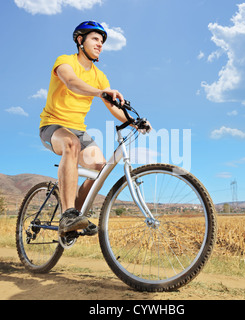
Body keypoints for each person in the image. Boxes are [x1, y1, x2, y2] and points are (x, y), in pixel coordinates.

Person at [39, 21, 151, 238]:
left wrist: (135, 121)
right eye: (95, 39)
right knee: (71, 144)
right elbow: (71, 82)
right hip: (53, 126)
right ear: (80, 41)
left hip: (78, 131)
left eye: (102, 41)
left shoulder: (100, 76)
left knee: (101, 168)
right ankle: (68, 214)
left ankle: (74, 219)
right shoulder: (65, 61)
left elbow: (113, 107)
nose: (100, 44)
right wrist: (101, 92)